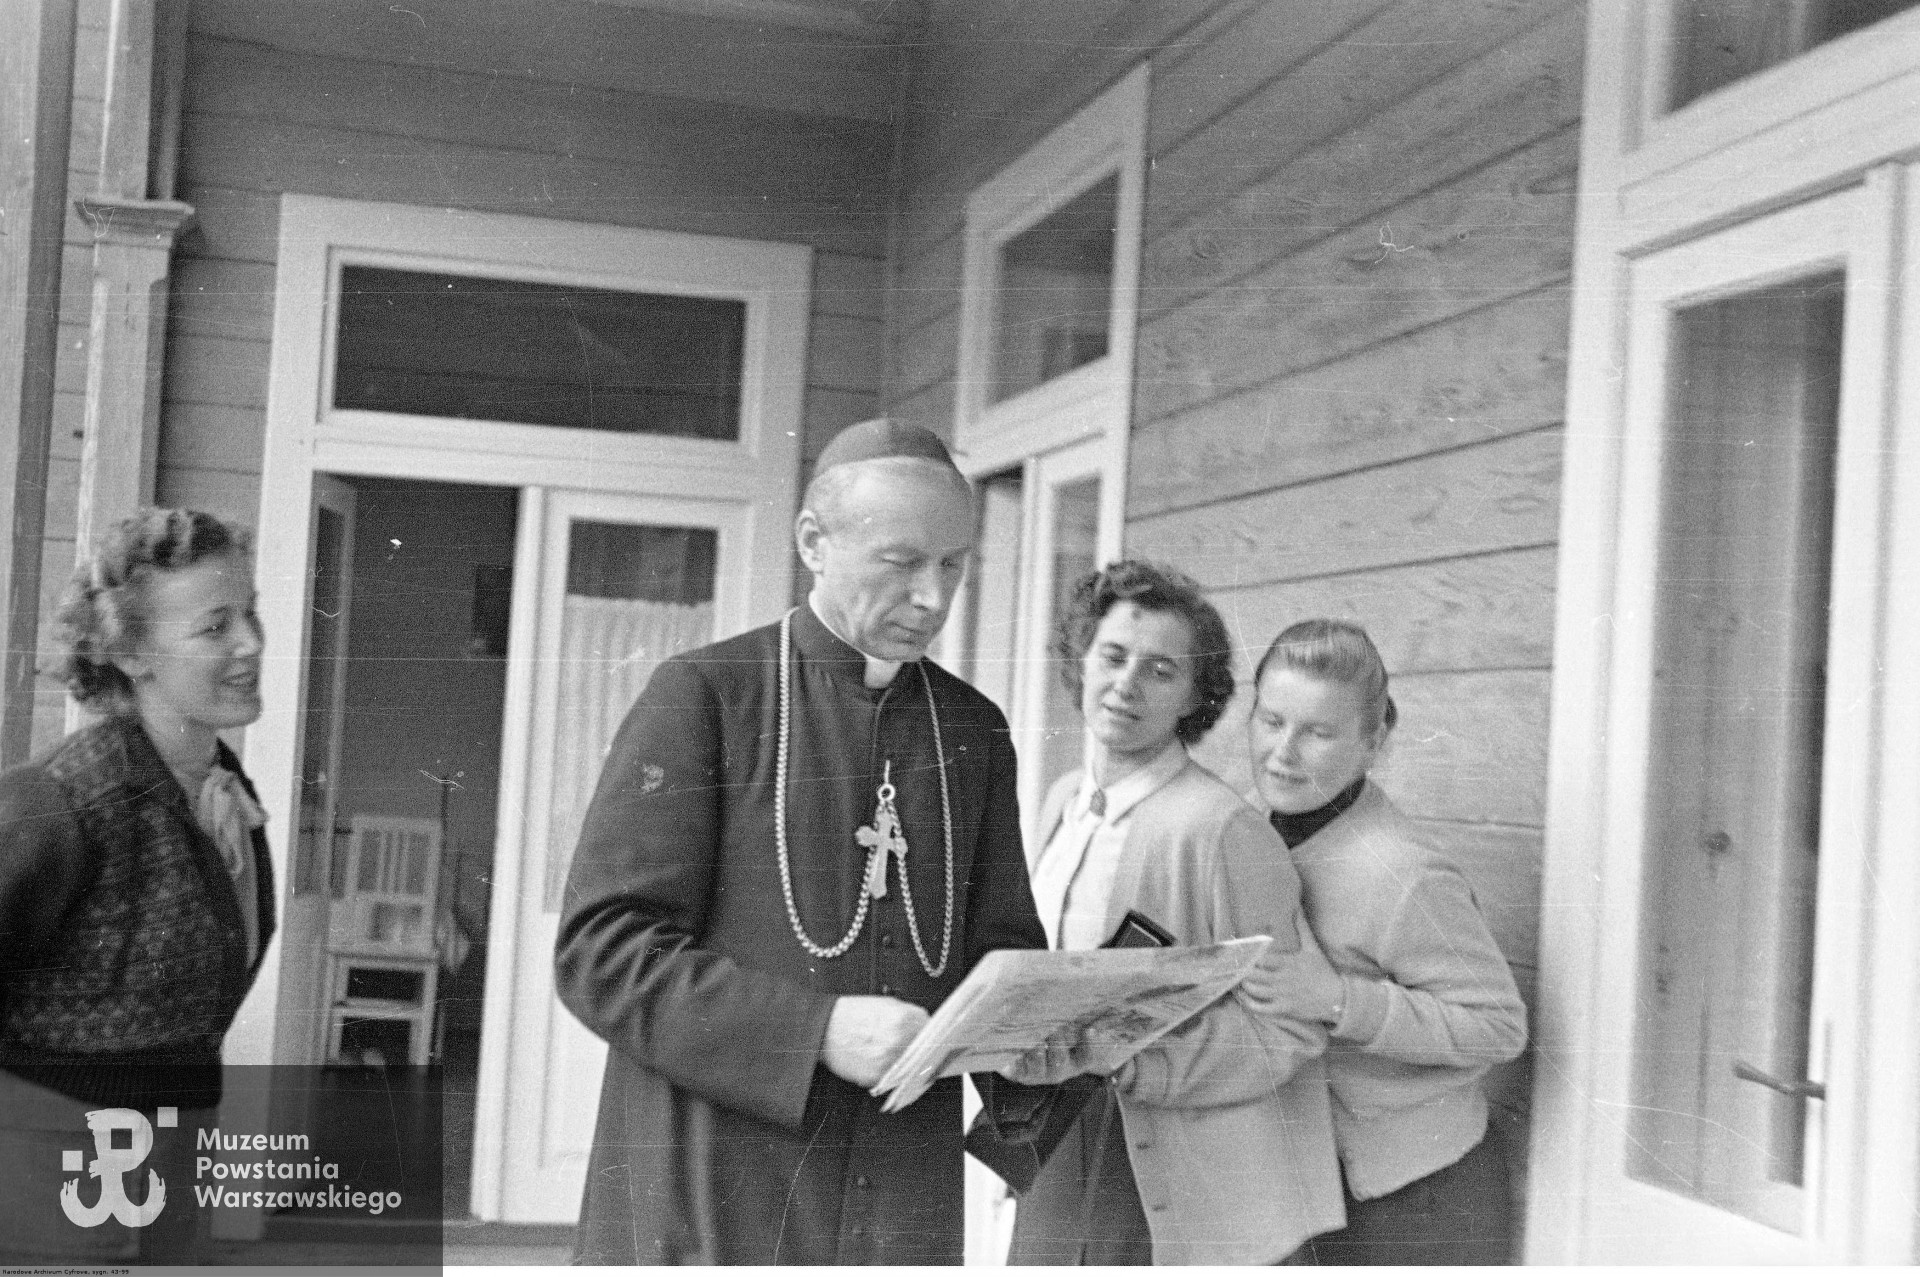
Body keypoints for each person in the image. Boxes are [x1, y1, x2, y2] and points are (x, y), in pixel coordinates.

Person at [554, 419, 1052, 1265]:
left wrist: (1065, 1033)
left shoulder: (971, 727)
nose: (932, 596)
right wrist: (815, 1030)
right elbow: (601, 951)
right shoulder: (705, 696)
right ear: (813, 542)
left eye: (954, 563)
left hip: (899, 1192)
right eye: (902, 562)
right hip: (718, 1183)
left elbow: (996, 951)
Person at [1005, 560, 1344, 1266]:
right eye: (1114, 655)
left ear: (1196, 694)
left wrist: (1144, 1063)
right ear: (1082, 659)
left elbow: (1290, 1026)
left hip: (1167, 1162)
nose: (1127, 684)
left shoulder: (1221, 830)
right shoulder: (1063, 799)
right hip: (1057, 1139)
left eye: (1161, 670)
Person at [0, 509, 276, 1264]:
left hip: (166, 1195)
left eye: (250, 611)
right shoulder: (63, 801)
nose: (251, 642)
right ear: (131, 651)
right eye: (216, 626)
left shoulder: (225, 794)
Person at [1243, 618, 1528, 1265]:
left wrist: (1340, 999)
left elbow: (1498, 1027)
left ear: (1373, 742)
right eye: (1270, 720)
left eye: (1317, 731)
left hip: (1417, 1201)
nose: (1283, 751)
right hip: (1307, 1188)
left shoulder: (1402, 872)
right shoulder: (1251, 831)